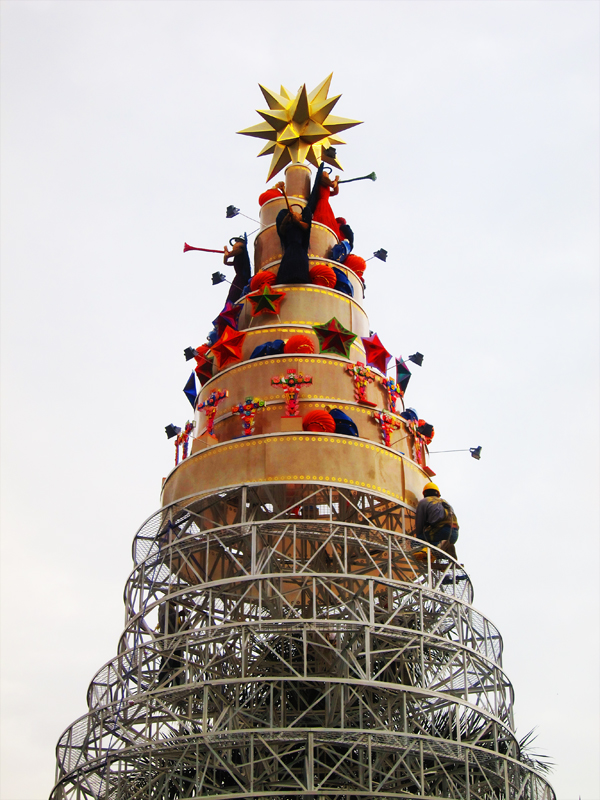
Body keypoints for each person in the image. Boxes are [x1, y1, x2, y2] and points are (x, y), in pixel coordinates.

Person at [414, 482, 459, 559]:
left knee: (416, 541)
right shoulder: (445, 503)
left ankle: (432, 550)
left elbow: (419, 524)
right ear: (438, 494)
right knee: (435, 548)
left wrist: (419, 536)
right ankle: (445, 550)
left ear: (424, 494)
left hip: (442, 531)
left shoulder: (424, 502)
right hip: (454, 534)